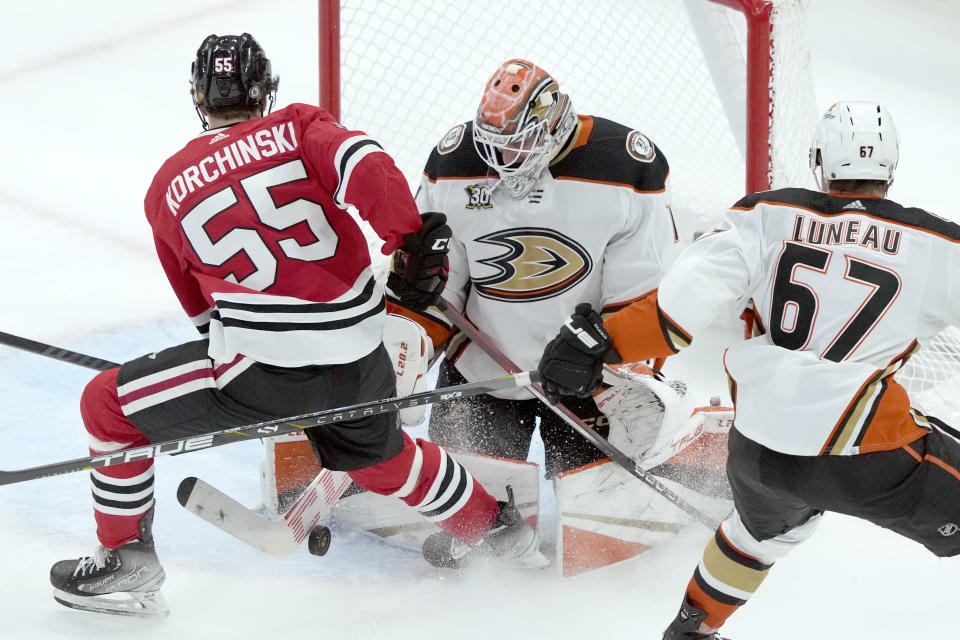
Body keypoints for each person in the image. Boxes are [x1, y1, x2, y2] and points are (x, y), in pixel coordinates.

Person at [48, 33, 545, 619]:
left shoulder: (166, 187)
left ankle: (124, 557)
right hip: (362, 360)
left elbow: (205, 317)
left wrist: (243, 374)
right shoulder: (297, 126)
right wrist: (409, 237)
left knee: (106, 406)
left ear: (197, 97)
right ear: (266, 89)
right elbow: (368, 165)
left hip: (260, 377)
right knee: (377, 453)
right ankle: (494, 528)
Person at [536, 100, 960, 639]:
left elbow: (676, 313)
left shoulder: (762, 214)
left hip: (759, 447)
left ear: (819, 163)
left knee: (753, 537)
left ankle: (691, 630)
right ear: (891, 168)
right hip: (865, 450)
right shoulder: (939, 244)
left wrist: (598, 347)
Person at [387, 58, 681, 481]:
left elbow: (643, 292)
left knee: (592, 522)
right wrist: (407, 347)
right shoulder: (454, 162)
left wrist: (615, 363)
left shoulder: (624, 167)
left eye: (519, 143)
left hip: (587, 375)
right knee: (474, 516)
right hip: (481, 369)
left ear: (554, 124)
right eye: (492, 143)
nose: (502, 158)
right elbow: (437, 283)